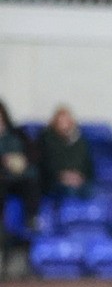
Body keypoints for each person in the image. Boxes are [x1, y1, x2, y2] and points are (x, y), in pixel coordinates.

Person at [0, 100, 41, 234]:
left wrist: (23, 161)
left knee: (32, 181)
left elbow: (33, 152)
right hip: (3, 177)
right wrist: (4, 161)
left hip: (20, 176)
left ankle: (32, 220)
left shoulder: (18, 133)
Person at [38, 107, 94, 199]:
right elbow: (47, 164)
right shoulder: (46, 139)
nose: (64, 124)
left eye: (66, 120)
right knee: (70, 191)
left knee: (90, 191)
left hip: (79, 179)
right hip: (55, 181)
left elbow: (87, 164)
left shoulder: (80, 141)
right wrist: (63, 176)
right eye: (61, 121)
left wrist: (80, 176)